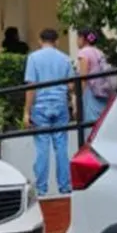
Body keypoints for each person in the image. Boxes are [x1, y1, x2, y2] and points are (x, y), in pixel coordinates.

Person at [23, 28, 76, 196]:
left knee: (42, 147)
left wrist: (27, 111)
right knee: (61, 147)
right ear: (57, 41)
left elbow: (31, 86)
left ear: (40, 41)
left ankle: (41, 188)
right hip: (60, 104)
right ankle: (65, 186)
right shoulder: (65, 58)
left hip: (40, 106)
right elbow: (71, 86)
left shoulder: (33, 58)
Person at [76, 28, 117, 136]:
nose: (77, 41)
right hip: (104, 91)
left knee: (91, 126)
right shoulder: (99, 52)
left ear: (82, 39)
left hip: (91, 92)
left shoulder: (83, 53)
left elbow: (83, 77)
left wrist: (78, 98)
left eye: (78, 38)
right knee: (102, 122)